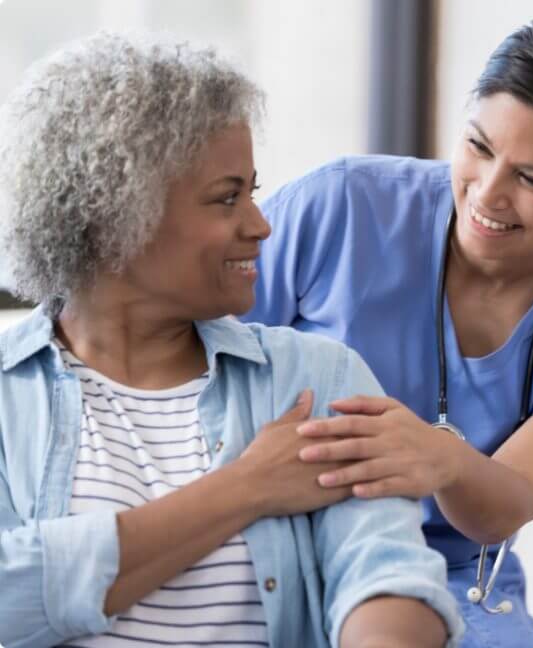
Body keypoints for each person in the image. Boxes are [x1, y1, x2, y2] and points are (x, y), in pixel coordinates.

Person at [0, 33, 463, 648]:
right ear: (116, 219)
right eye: (227, 198)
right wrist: (245, 488)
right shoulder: (8, 397)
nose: (260, 224)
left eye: (253, 190)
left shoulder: (316, 379)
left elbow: (387, 571)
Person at [242, 10, 533, 648]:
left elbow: (503, 506)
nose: (487, 195)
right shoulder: (346, 205)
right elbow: (192, 351)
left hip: (452, 579)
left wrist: (442, 459)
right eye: (478, 147)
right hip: (272, 535)